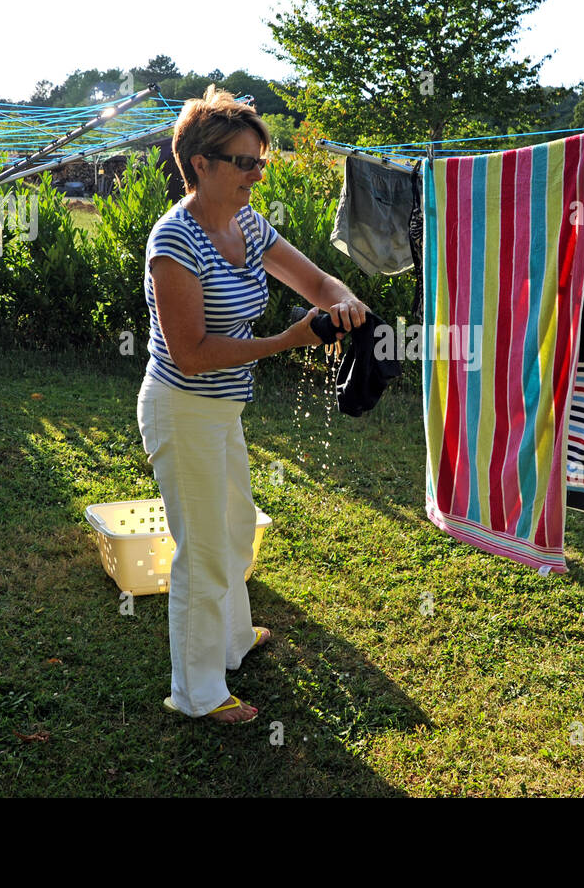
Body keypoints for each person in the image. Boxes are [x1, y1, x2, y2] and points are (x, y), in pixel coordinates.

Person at [137, 87, 368, 723]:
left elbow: (316, 281)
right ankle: (198, 693)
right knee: (203, 551)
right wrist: (289, 340)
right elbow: (191, 353)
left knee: (236, 529)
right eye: (243, 162)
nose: (255, 174)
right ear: (201, 164)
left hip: (221, 410)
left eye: (259, 162)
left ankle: (233, 640)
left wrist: (342, 300)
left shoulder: (246, 224)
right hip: (182, 407)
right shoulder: (174, 242)